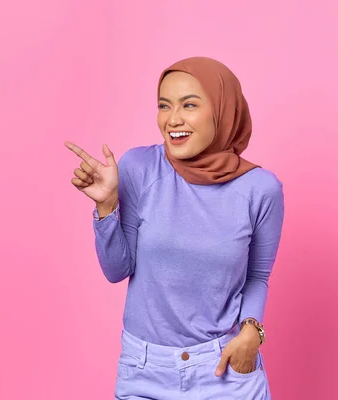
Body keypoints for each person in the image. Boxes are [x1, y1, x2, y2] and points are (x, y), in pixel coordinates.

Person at [64, 56, 284, 399]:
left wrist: (251, 332)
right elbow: (117, 270)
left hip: (224, 370)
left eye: (190, 105)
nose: (173, 119)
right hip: (145, 370)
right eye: (164, 106)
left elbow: (257, 275)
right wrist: (106, 206)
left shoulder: (261, 189)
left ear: (223, 112)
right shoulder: (140, 168)